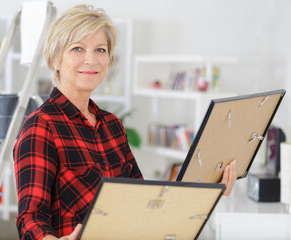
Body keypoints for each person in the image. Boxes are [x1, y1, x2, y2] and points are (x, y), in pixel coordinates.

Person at [13, 4, 236, 240]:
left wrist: (211, 190)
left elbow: (143, 202)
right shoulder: (41, 126)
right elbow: (30, 218)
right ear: (56, 59)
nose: (91, 60)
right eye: (77, 48)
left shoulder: (112, 125)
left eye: (100, 50)